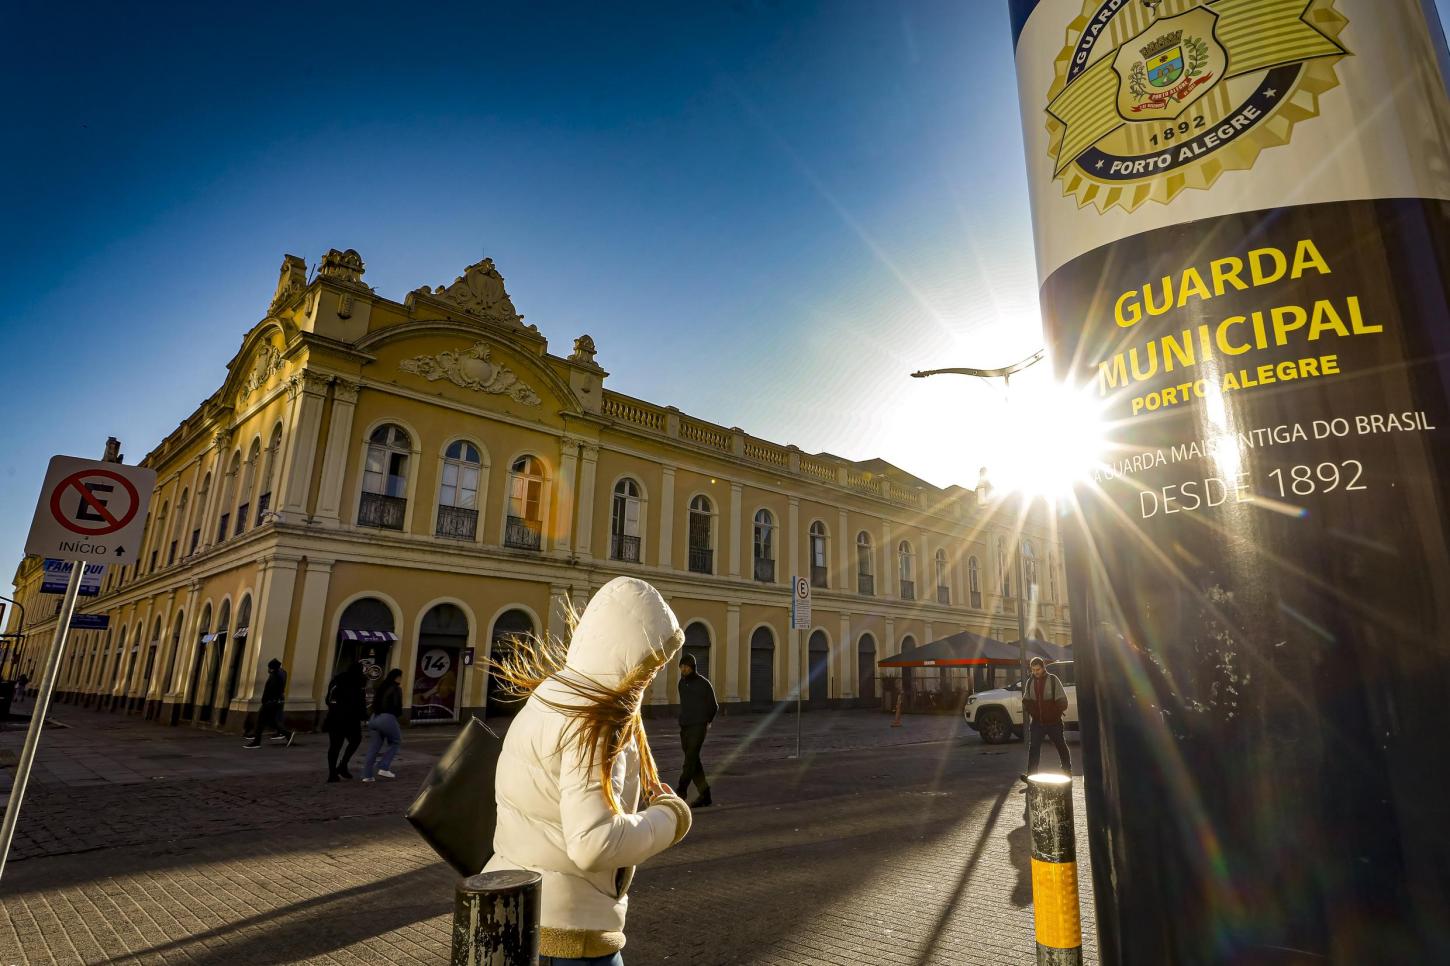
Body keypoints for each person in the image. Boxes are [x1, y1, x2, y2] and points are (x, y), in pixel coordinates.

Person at [486, 576, 693, 966]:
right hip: (571, 930)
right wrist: (671, 817)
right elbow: (594, 842)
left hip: (523, 906)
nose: (651, 677)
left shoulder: (553, 695)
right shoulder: (595, 722)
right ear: (629, 657)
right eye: (651, 663)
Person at [676, 652, 718, 808]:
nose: (684, 669)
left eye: (686, 666)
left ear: (693, 667)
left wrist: (707, 721)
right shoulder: (681, 684)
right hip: (685, 726)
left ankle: (681, 791)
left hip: (699, 726)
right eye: (682, 666)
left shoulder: (703, 683)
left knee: (689, 761)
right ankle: (705, 795)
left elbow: (714, 705)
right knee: (694, 761)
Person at [1021, 657, 1071, 782]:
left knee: (1061, 746)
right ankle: (1031, 776)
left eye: (1037, 669)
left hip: (1054, 722)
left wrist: (1054, 714)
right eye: (1033, 670)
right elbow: (1026, 701)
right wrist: (1033, 713)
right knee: (1034, 749)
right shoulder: (1030, 682)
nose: (1035, 672)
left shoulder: (1053, 680)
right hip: (1037, 723)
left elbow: (1063, 702)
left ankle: (1067, 772)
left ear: (1043, 668)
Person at [323, 661, 368, 782]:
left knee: (335, 746)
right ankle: (342, 765)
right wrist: (364, 716)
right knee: (355, 740)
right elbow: (361, 702)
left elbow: (328, 699)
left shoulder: (337, 680)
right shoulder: (359, 682)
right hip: (350, 719)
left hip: (336, 717)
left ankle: (333, 772)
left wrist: (334, 707)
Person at [362, 668, 404, 782]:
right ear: (397, 677)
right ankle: (383, 766)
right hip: (387, 717)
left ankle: (367, 775)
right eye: (401, 677)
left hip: (374, 717)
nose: (401, 679)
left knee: (373, 748)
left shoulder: (382, 687)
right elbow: (397, 705)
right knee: (396, 741)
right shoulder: (396, 689)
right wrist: (398, 714)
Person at [244, 658, 295, 748]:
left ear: (272, 668)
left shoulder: (275, 676)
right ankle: (287, 734)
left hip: (270, 702)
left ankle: (256, 742)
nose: (268, 670)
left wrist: (265, 700)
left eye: (269, 668)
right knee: (272, 722)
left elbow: (270, 690)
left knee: (260, 721)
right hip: (275, 701)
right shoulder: (282, 673)